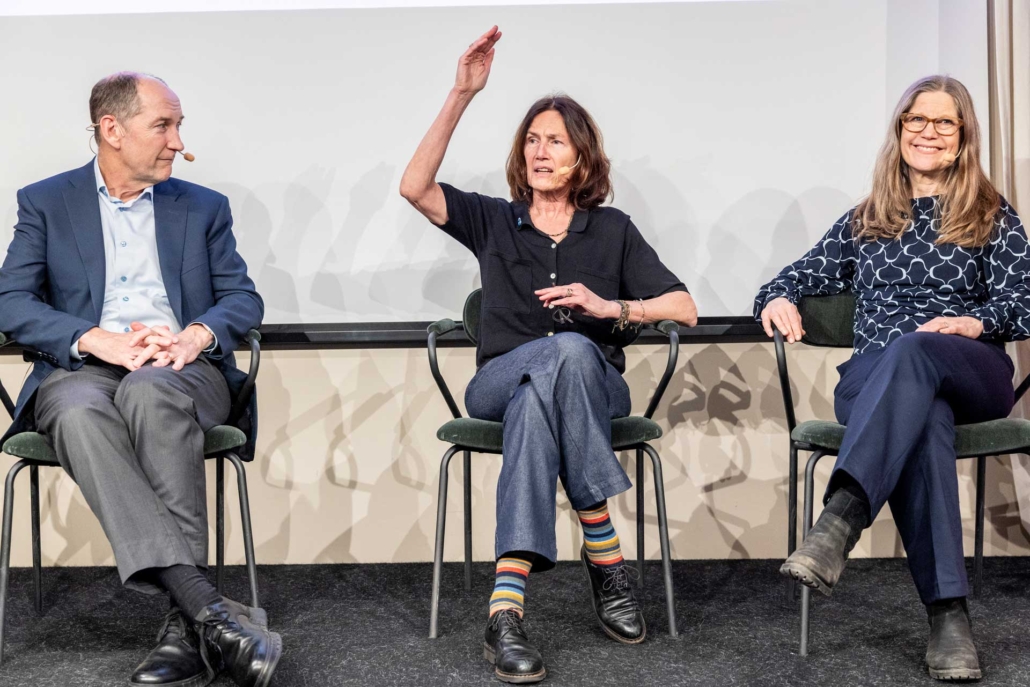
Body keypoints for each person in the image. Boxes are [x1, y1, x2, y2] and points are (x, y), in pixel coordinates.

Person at [400, 26, 697, 684]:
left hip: (595, 388)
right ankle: (605, 552)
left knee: (549, 388)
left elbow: (684, 307)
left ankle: (505, 611)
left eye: (555, 140)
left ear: (582, 157)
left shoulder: (612, 229)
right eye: (532, 140)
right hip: (496, 383)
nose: (539, 150)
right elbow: (415, 186)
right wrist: (461, 93)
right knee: (553, 360)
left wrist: (610, 308)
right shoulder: (495, 220)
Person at [0, 72, 280, 687]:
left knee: (150, 393)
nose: (178, 141)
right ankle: (203, 613)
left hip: (181, 370)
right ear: (112, 129)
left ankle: (189, 617)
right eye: (164, 126)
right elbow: (11, 301)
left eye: (178, 126)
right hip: (84, 369)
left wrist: (193, 336)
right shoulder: (46, 201)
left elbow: (242, 298)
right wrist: (92, 337)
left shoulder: (202, 206)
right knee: (77, 410)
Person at [756, 75, 1030, 682]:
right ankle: (948, 617)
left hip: (971, 370)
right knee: (922, 415)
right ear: (900, 130)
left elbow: (1026, 300)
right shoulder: (867, 220)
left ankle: (843, 516)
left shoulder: (990, 215)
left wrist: (976, 320)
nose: (928, 132)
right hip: (878, 381)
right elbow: (788, 278)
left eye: (944, 122)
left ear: (963, 137)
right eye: (916, 119)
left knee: (916, 349)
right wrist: (776, 298)